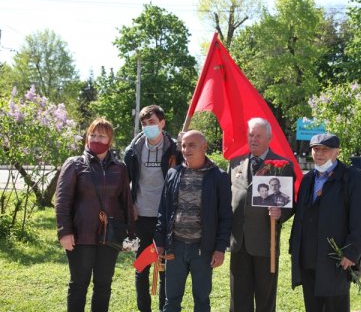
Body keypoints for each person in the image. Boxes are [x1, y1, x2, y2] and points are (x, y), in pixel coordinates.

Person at [55, 117, 135, 312]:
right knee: (79, 284)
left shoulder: (120, 168)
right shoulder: (74, 164)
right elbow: (62, 201)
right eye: (93, 134)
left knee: (103, 284)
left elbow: (126, 203)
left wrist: (130, 235)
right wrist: (64, 231)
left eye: (102, 135)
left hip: (110, 237)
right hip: (81, 235)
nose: (96, 139)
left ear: (110, 140)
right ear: (87, 137)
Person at [289, 133, 361, 312]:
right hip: (308, 258)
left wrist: (351, 253)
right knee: (313, 307)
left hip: (336, 260)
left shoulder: (351, 178)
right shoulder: (308, 179)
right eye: (316, 149)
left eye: (325, 149)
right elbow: (301, 214)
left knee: (335, 307)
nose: (320, 153)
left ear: (337, 152)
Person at [154, 130, 232, 312]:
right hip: (175, 247)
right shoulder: (173, 174)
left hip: (203, 249)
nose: (186, 149)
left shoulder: (219, 177)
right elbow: (163, 211)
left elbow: (226, 216)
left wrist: (220, 248)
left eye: (192, 145)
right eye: (183, 145)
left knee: (202, 299)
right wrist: (159, 241)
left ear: (204, 147)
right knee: (171, 300)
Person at [229, 117, 295, 312]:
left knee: (265, 300)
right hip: (239, 243)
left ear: (269, 138)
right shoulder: (235, 163)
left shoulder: (282, 165)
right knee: (239, 298)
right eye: (251, 135)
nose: (253, 139)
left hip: (266, 242)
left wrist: (280, 213)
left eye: (258, 135)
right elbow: (227, 199)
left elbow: (290, 204)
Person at [124, 105, 180, 312]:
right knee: (142, 267)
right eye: (144, 124)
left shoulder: (175, 149)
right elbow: (125, 183)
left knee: (165, 267)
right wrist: (130, 207)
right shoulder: (132, 151)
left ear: (162, 123)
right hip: (142, 218)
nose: (148, 127)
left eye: (152, 123)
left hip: (165, 219)